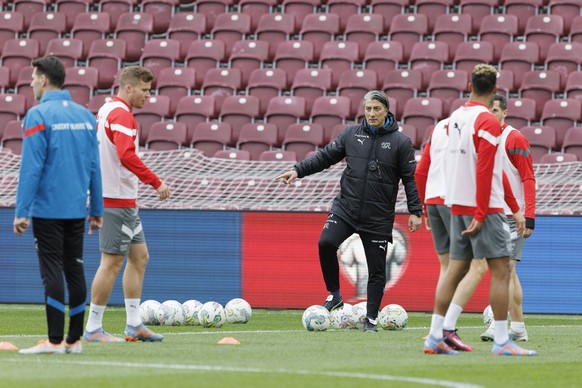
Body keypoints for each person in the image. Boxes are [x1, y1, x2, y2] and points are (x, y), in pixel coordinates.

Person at [277, 90, 423, 332]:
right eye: (368, 109)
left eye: (377, 108)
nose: (372, 113)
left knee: (376, 270)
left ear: (387, 110)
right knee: (325, 243)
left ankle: (371, 320)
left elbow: (410, 180)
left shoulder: (401, 143)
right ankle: (334, 295)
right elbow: (325, 157)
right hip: (346, 208)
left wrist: (416, 211)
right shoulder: (351, 135)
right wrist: (298, 170)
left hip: (377, 216)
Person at [422, 64, 536, 356]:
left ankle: (435, 336)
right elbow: (488, 169)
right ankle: (501, 340)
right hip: (483, 207)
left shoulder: (452, 119)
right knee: (501, 270)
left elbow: (446, 163)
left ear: (469, 86)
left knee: (455, 268)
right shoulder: (487, 121)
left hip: (455, 202)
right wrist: (484, 211)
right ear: (495, 90)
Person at [14, 56, 103, 354]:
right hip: (77, 209)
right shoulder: (86, 117)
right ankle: (74, 341)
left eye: (32, 77)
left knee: (51, 271)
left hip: (48, 210)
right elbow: (94, 167)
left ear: (43, 80)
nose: (29, 83)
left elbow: (31, 168)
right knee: (75, 270)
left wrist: (21, 212)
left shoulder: (37, 115)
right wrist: (97, 211)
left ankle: (53, 341)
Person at [84, 66, 171, 343]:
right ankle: (93, 328)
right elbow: (125, 154)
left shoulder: (107, 110)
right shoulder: (122, 115)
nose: (148, 96)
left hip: (120, 199)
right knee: (111, 263)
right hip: (115, 199)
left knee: (140, 257)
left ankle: (134, 324)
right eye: (144, 91)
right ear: (129, 88)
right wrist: (155, 181)